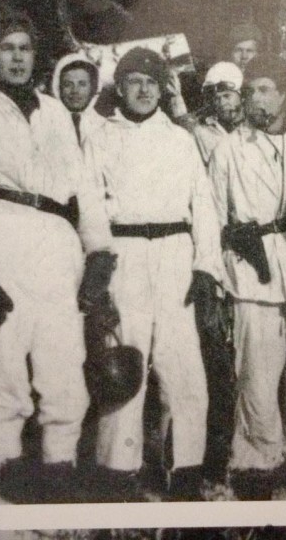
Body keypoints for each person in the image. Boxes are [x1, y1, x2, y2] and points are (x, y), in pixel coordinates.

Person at [0, 8, 111, 503]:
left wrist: (99, 250)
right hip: (4, 236)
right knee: (2, 358)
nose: (17, 58)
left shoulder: (58, 112)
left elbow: (85, 186)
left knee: (64, 357)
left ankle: (60, 461)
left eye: (25, 49)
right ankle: (6, 461)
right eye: (7, 48)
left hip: (58, 244)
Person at [82, 47, 224, 501]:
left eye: (151, 82)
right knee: (124, 366)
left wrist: (205, 268)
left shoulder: (180, 140)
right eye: (134, 82)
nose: (143, 90)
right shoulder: (101, 137)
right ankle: (116, 476)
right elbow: (87, 203)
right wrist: (99, 260)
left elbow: (203, 206)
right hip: (125, 256)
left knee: (185, 371)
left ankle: (184, 476)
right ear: (120, 88)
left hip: (175, 256)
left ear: (163, 89)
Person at [208, 55, 286, 500]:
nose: (256, 99)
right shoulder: (229, 149)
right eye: (250, 90)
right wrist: (223, 266)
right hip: (250, 265)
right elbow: (214, 215)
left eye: (265, 89)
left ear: (285, 94)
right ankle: (258, 461)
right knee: (256, 371)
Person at [51, 54, 106, 145]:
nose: (75, 91)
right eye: (68, 84)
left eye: (82, 84)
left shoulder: (104, 127)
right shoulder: (46, 123)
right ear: (58, 88)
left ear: (93, 88)